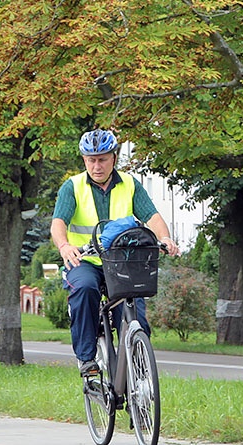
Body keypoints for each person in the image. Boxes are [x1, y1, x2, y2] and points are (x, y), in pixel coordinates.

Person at [51, 128, 180, 376]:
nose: (96, 166)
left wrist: (164, 237)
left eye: (102, 159)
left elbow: (152, 216)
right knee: (85, 289)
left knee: (134, 313)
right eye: (91, 160)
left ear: (113, 158)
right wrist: (65, 246)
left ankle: (137, 369)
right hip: (85, 261)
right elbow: (59, 222)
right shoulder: (73, 187)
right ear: (84, 160)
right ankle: (87, 358)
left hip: (122, 262)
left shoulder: (130, 184)